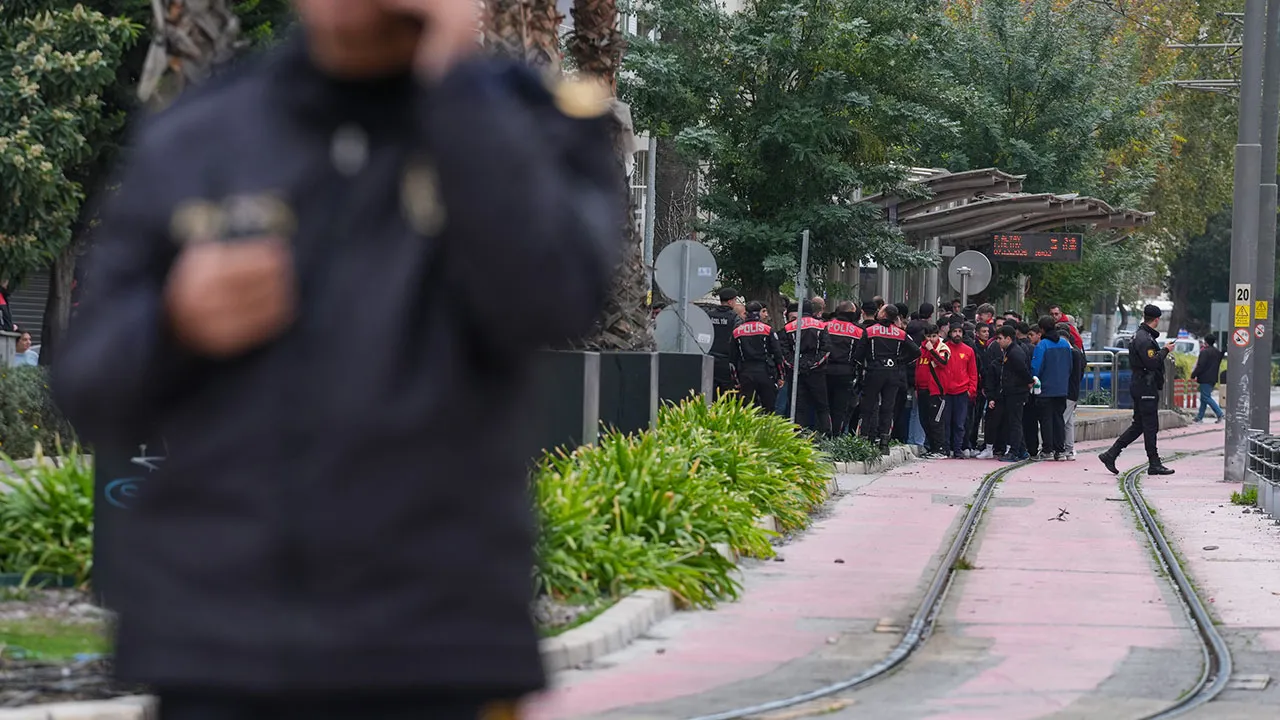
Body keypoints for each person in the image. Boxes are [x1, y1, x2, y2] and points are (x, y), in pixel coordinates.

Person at [53, 1, 623, 717]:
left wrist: (457, 88)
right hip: (221, 652)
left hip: (435, 652)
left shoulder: (530, 125)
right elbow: (89, 386)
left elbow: (553, 299)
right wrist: (174, 320)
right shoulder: (204, 134)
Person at [1100, 305, 1176, 476]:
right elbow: (1152, 362)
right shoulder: (1144, 338)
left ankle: (1111, 454)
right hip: (1145, 385)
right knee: (1150, 425)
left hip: (1141, 384)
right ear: (1156, 319)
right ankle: (1154, 463)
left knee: (1139, 425)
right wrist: (1165, 350)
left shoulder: (1140, 335)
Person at [854, 304, 920, 452]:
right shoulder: (900, 333)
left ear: (883, 314)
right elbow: (916, 351)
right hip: (893, 373)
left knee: (868, 406)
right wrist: (900, 361)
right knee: (888, 408)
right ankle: (884, 443)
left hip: (874, 371)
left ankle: (864, 440)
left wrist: (866, 364)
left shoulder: (869, 331)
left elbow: (858, 355)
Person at [781, 300, 832, 435]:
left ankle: (798, 436)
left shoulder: (788, 327)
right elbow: (826, 349)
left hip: (796, 370)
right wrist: (814, 364)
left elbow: (784, 352)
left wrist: (795, 365)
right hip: (817, 371)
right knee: (822, 405)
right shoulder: (821, 326)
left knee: (798, 406)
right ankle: (826, 435)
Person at [1031, 316, 1073, 461]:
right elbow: (1070, 366)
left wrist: (1034, 381)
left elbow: (1036, 367)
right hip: (1061, 388)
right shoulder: (1064, 343)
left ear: (1041, 329)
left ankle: (1047, 450)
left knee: (1046, 419)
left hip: (1046, 389)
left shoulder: (1043, 345)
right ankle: (1060, 450)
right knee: (1059, 419)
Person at [731, 302, 784, 412]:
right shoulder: (767, 330)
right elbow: (778, 354)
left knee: (747, 409)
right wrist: (781, 376)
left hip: (745, 373)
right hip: (765, 372)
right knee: (769, 407)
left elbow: (732, 358)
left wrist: (736, 381)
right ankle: (769, 428)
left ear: (746, 313)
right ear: (759, 313)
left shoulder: (737, 332)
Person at [938, 323, 978, 458]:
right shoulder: (943, 348)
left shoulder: (968, 350)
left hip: (962, 391)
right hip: (946, 391)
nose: (957, 334)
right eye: (954, 331)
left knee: (960, 423)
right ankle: (946, 448)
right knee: (946, 422)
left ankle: (957, 448)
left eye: (959, 331)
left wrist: (971, 390)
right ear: (950, 333)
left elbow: (973, 372)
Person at [995, 325, 1033, 462]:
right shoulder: (1010, 351)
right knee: (1014, 421)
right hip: (1012, 391)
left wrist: (1029, 382)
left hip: (1016, 392)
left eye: (1000, 338)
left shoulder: (1014, 353)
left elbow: (1022, 370)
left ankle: (1014, 451)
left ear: (1008, 338)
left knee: (1015, 422)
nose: (998, 341)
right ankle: (1022, 450)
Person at [824, 301, 864, 435]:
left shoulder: (825, 326)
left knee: (824, 406)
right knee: (840, 409)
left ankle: (823, 436)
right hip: (846, 373)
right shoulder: (858, 332)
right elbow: (861, 354)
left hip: (824, 372)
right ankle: (835, 436)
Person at [915, 324, 949, 459]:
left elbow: (943, 363)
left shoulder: (942, 347)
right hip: (922, 389)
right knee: (925, 420)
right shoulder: (921, 349)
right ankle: (932, 447)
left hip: (935, 391)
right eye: (929, 336)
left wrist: (932, 350)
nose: (931, 339)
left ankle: (940, 449)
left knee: (936, 421)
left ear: (938, 335)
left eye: (934, 336)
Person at [708, 287, 744, 396]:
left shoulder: (709, 315)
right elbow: (737, 338)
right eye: (735, 300)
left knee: (710, 391)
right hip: (726, 361)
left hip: (709, 358)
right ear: (730, 301)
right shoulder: (734, 318)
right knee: (727, 394)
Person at [1061, 321, 1085, 459]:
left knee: (1063, 419)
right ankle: (1069, 449)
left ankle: (1062, 448)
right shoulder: (1076, 352)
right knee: (1069, 421)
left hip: (1068, 392)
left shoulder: (1072, 353)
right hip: (1073, 392)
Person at [1191, 336, 1225, 423]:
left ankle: (1220, 413)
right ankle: (1199, 417)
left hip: (1205, 378)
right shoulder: (1217, 352)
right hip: (1213, 378)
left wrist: (1194, 374)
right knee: (1203, 398)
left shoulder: (1204, 352)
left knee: (1206, 397)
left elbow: (1200, 366)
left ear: (1206, 342)